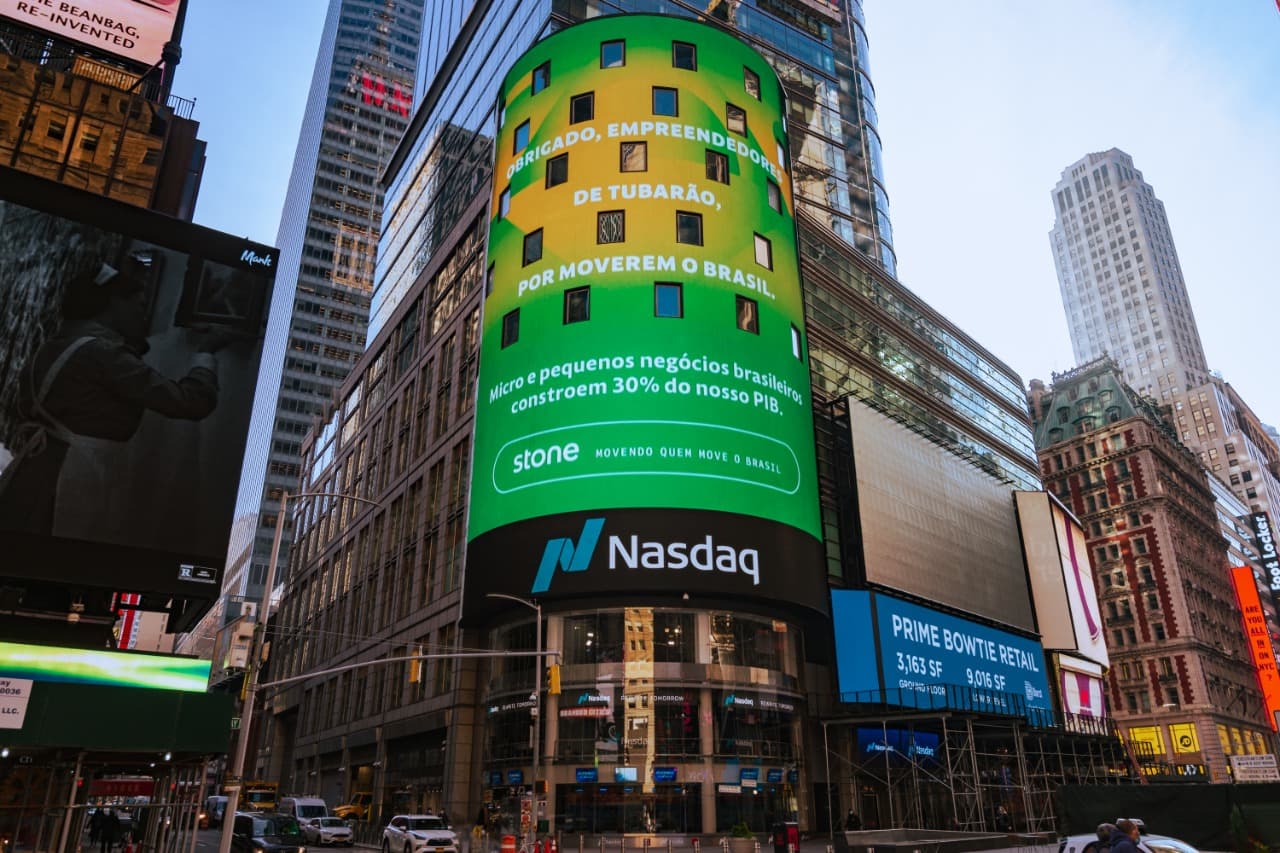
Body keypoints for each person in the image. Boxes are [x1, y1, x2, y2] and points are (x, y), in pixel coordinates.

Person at [0, 254, 227, 535]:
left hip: (32, 473)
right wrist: (205, 354)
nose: (142, 315)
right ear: (114, 304)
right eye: (138, 305)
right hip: (69, 480)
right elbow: (190, 402)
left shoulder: (53, 347)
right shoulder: (104, 354)